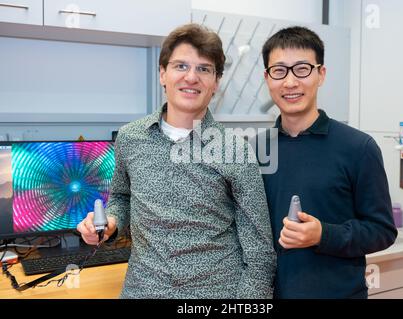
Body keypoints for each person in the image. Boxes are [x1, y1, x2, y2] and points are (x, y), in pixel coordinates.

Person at [77, 23, 276, 299]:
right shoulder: (130, 137)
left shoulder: (236, 150)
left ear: (216, 82)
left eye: (204, 69)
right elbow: (122, 198)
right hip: (143, 290)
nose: (191, 77)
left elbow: (260, 252)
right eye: (180, 66)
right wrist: (109, 223)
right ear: (162, 73)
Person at [257, 26, 397, 298]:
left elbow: (382, 231)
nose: (290, 82)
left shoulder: (358, 147)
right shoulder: (254, 150)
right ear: (267, 77)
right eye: (279, 71)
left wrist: (324, 234)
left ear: (321, 74)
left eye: (302, 69)